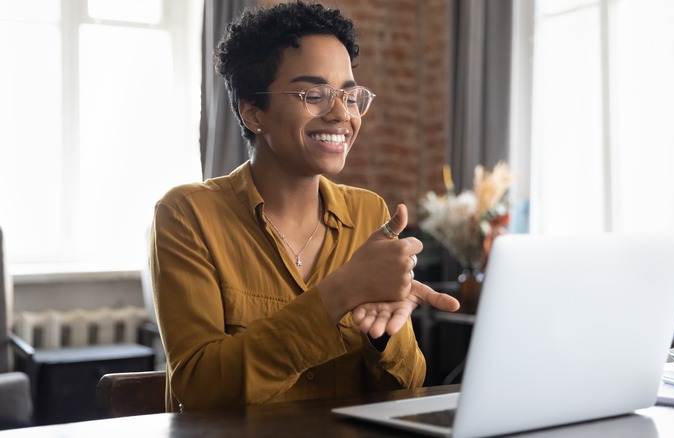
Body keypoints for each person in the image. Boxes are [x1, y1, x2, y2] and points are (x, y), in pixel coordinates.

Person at [150, 1, 460, 412]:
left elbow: (407, 387)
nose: (340, 114)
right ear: (252, 110)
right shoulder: (187, 215)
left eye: (350, 97)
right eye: (314, 94)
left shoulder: (370, 215)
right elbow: (200, 388)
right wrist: (339, 293)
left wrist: (385, 335)